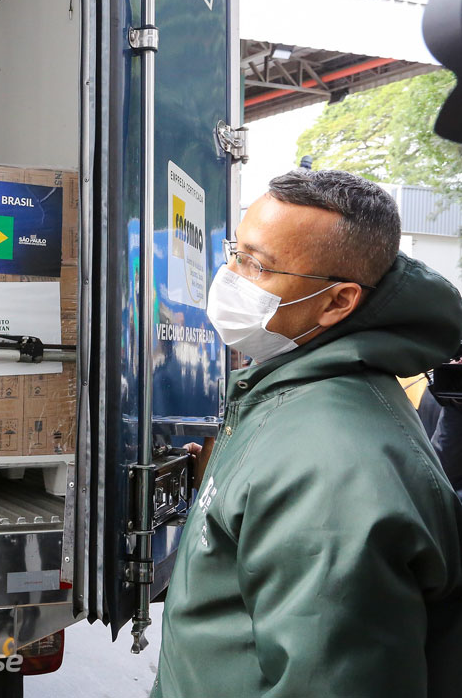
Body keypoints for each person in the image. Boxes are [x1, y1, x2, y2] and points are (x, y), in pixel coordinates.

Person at [152, 169, 462, 698]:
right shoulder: (289, 391)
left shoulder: (334, 473)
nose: (230, 276)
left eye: (258, 265)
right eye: (236, 252)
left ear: (338, 302)